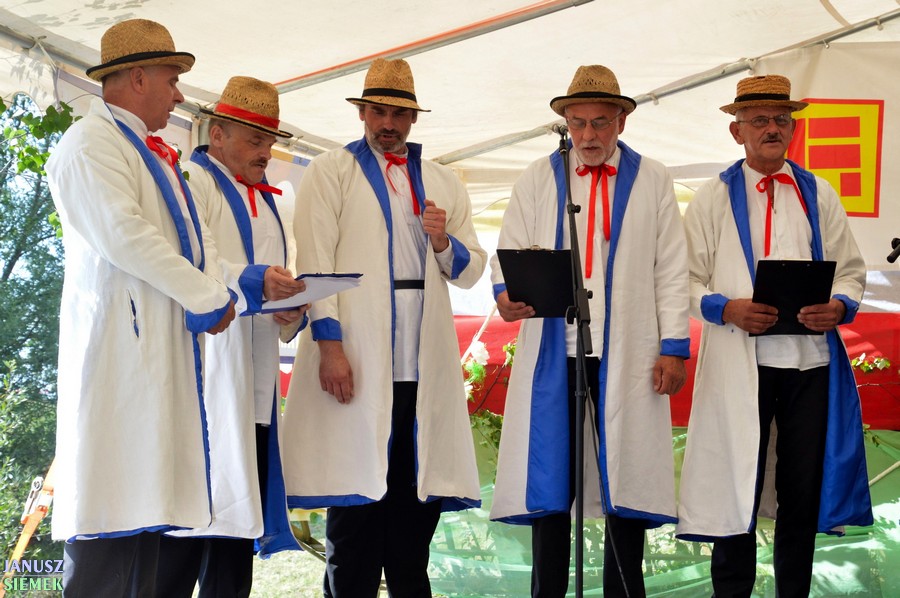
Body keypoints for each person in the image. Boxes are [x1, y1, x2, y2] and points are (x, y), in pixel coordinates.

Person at [279, 57, 486, 597]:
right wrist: (330, 347)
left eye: (397, 114)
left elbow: (470, 271)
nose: (387, 123)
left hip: (422, 364)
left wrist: (442, 240)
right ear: (362, 113)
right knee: (354, 520)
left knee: (414, 522)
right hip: (359, 356)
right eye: (377, 112)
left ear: (413, 118)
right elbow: (316, 264)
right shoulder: (330, 171)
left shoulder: (443, 181)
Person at [45, 18, 236, 597]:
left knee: (144, 534)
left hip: (157, 359)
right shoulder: (89, 144)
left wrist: (231, 286)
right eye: (172, 79)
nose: (179, 95)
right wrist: (208, 296)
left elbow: (197, 242)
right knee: (110, 532)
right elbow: (126, 236)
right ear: (136, 78)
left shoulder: (155, 154)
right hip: (120, 360)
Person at [489, 64, 690, 598]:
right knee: (552, 482)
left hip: (629, 350)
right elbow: (507, 252)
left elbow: (672, 269)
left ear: (621, 121)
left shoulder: (653, 178)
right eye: (577, 123)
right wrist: (505, 293)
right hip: (556, 348)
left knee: (626, 478)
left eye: (599, 122)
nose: (587, 135)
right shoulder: (538, 177)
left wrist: (673, 347)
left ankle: (624, 591)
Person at [676, 74, 873, 597]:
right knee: (735, 482)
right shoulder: (712, 198)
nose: (772, 128)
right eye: (759, 119)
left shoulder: (818, 193)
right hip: (740, 363)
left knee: (801, 489)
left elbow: (851, 271)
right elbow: (683, 280)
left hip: (809, 362)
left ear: (793, 129)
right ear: (736, 131)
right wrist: (727, 308)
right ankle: (731, 592)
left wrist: (839, 305)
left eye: (781, 119)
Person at [153, 76, 307, 597]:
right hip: (210, 377)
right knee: (186, 532)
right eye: (255, 140)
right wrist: (256, 281)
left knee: (235, 535)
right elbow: (190, 264)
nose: (266, 153)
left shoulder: (269, 201)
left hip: (255, 383)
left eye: (270, 143)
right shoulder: (192, 182)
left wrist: (289, 309)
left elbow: (272, 277)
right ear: (216, 134)